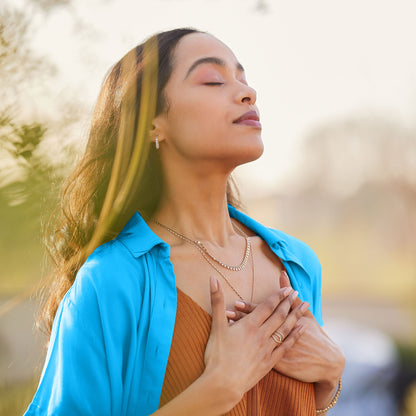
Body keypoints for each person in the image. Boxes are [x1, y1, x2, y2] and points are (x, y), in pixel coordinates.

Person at [24, 28, 345, 415]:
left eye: (243, 79)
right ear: (152, 124)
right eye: (213, 80)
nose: (248, 93)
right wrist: (216, 390)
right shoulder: (113, 280)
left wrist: (330, 378)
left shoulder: (297, 264)